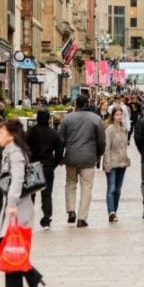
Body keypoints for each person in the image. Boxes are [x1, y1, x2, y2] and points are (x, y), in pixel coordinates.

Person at [0, 118, 44, 287]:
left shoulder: (15, 153)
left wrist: (11, 203)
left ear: (10, 135)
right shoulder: (10, 152)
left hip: (18, 208)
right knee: (8, 246)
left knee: (7, 245)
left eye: (1, 133)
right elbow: (9, 180)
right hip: (14, 206)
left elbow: (18, 179)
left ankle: (25, 283)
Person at [58, 95, 106, 228]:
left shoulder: (67, 119)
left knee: (70, 184)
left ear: (76, 104)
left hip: (71, 157)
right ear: (88, 104)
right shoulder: (96, 119)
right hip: (88, 157)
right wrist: (99, 154)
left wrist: (60, 157)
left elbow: (61, 139)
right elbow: (101, 140)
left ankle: (71, 210)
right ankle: (82, 218)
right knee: (86, 187)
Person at [25, 109, 62, 229]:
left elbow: (24, 148)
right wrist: (53, 164)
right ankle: (46, 219)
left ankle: (28, 218)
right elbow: (59, 152)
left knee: (31, 194)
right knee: (47, 194)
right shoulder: (54, 134)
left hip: (33, 165)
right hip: (47, 166)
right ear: (49, 119)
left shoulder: (30, 132)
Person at [103, 106, 130, 222]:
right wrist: (107, 164)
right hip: (112, 162)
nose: (119, 117)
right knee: (111, 188)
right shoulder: (109, 129)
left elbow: (124, 146)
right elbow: (106, 148)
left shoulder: (124, 129)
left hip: (122, 163)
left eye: (121, 115)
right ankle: (111, 211)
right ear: (113, 116)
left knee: (118, 189)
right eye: (117, 115)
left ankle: (115, 211)